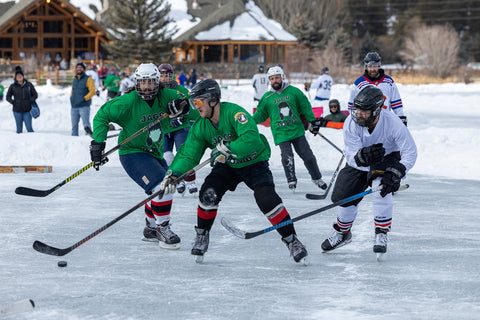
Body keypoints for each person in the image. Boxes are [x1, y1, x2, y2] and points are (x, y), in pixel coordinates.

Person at [158, 79, 308, 264]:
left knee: (266, 198)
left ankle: (292, 240)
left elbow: (252, 138)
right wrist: (174, 173)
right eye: (193, 103)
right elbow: (188, 154)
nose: (196, 108)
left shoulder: (235, 113)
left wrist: (230, 147)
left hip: (253, 161)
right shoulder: (201, 125)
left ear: (212, 100)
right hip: (226, 164)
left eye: (198, 102)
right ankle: (202, 235)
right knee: (208, 192)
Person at [90, 63, 197, 249]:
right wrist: (98, 144)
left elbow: (193, 104)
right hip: (132, 153)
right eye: (142, 83)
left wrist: (183, 106)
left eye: (150, 83)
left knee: (159, 190)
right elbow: (101, 115)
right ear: (137, 83)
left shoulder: (167, 96)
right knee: (162, 187)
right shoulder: (128, 101)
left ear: (157, 83)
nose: (146, 88)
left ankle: (150, 228)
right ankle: (163, 228)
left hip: (154, 153)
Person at [321, 86, 417, 258]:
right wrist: (360, 157)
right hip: (360, 160)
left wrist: (397, 171)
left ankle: (381, 233)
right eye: (357, 110)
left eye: (364, 112)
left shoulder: (393, 123)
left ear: (377, 110)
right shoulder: (351, 122)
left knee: (381, 188)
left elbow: (410, 151)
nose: (359, 115)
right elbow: (350, 153)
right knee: (343, 196)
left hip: (386, 157)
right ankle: (342, 234)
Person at [253, 65, 327, 191]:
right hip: (281, 133)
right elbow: (260, 114)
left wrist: (312, 121)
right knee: (287, 157)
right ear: (269, 80)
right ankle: (291, 179)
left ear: (282, 77)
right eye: (272, 79)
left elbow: (305, 106)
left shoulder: (294, 91)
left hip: (296, 130)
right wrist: (249, 122)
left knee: (308, 156)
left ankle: (317, 178)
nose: (275, 81)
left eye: (277, 77)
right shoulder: (266, 98)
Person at [158, 63, 199, 195]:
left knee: (184, 153)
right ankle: (178, 179)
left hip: (181, 127)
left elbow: (193, 108)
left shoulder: (181, 90)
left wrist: (184, 115)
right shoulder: (156, 92)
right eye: (162, 76)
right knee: (167, 156)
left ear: (172, 76)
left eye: (167, 76)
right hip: (164, 130)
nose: (164, 79)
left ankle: (190, 181)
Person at [348, 52, 407, 126]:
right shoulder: (358, 84)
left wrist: (400, 117)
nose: (372, 69)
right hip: (366, 123)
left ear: (379, 66)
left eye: (375, 66)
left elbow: (396, 103)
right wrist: (355, 122)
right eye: (370, 66)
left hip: (385, 122)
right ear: (366, 67)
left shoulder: (388, 82)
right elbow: (352, 106)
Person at [6, 66, 37, 133]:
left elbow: (35, 95)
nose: (19, 76)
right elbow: (8, 97)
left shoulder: (29, 85)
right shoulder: (12, 86)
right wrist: (14, 102)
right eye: (17, 75)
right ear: (15, 77)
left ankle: (33, 142)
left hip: (27, 111)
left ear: (23, 76)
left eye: (20, 75)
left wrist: (30, 101)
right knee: (19, 131)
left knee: (29, 129)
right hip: (17, 111)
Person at [69, 62, 96, 136]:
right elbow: (72, 90)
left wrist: (84, 99)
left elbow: (93, 91)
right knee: (74, 127)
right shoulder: (75, 79)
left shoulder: (88, 79)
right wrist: (71, 98)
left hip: (84, 106)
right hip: (74, 106)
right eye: (77, 67)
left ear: (84, 69)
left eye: (80, 67)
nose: (79, 69)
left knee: (86, 125)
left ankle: (89, 140)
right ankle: (73, 141)